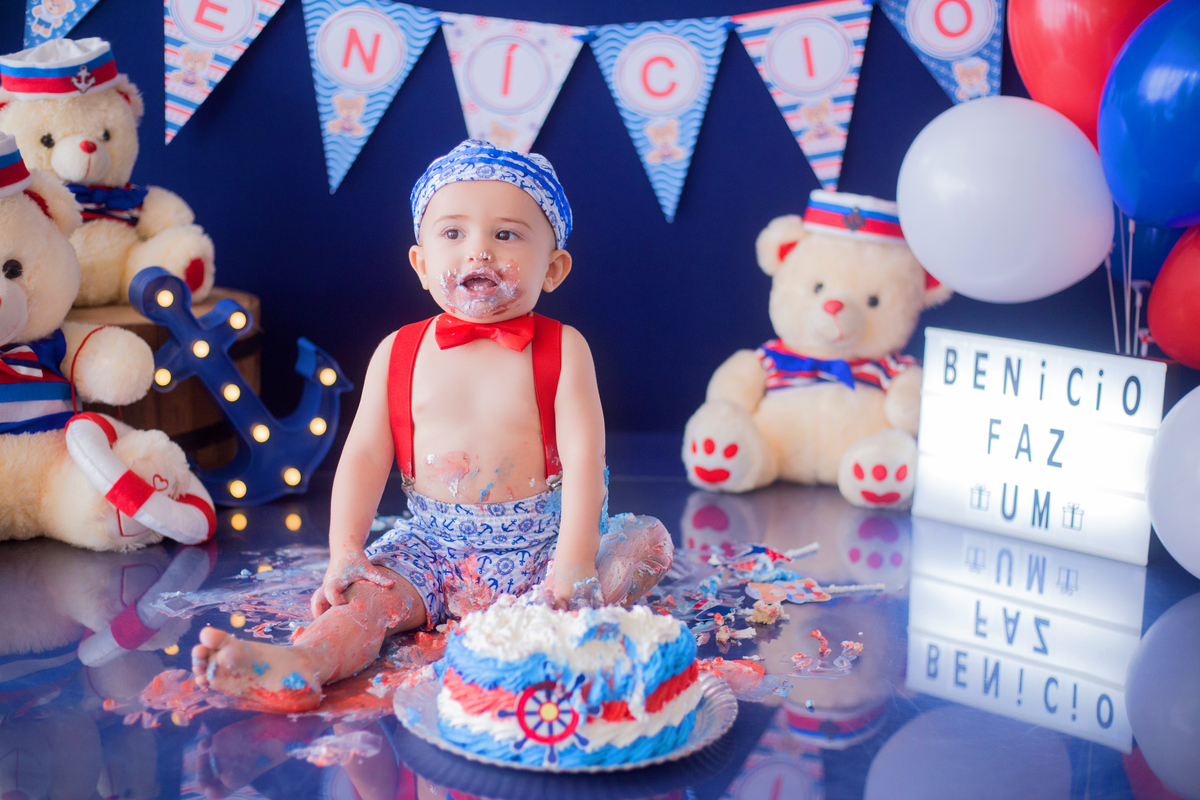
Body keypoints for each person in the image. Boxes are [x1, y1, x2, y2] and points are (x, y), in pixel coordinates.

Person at [191, 141, 672, 713]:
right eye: (453, 234)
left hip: (545, 549)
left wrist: (571, 565)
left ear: (554, 268)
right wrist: (346, 550)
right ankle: (303, 665)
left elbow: (586, 460)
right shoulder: (398, 351)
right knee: (367, 604)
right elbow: (366, 456)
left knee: (648, 542)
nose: (479, 252)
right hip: (434, 551)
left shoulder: (565, 349)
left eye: (507, 235)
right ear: (421, 265)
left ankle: (547, 635)